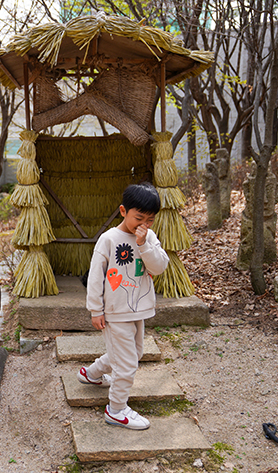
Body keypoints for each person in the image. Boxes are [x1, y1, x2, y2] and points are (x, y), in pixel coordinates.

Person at [77, 183, 169, 430]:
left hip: (137, 309)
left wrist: (143, 244)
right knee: (127, 363)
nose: (144, 224)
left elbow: (159, 267)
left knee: (134, 354)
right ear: (123, 211)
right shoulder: (108, 239)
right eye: (139, 217)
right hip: (115, 312)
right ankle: (116, 409)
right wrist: (96, 309)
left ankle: (92, 373)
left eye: (150, 220)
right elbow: (96, 276)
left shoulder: (149, 237)